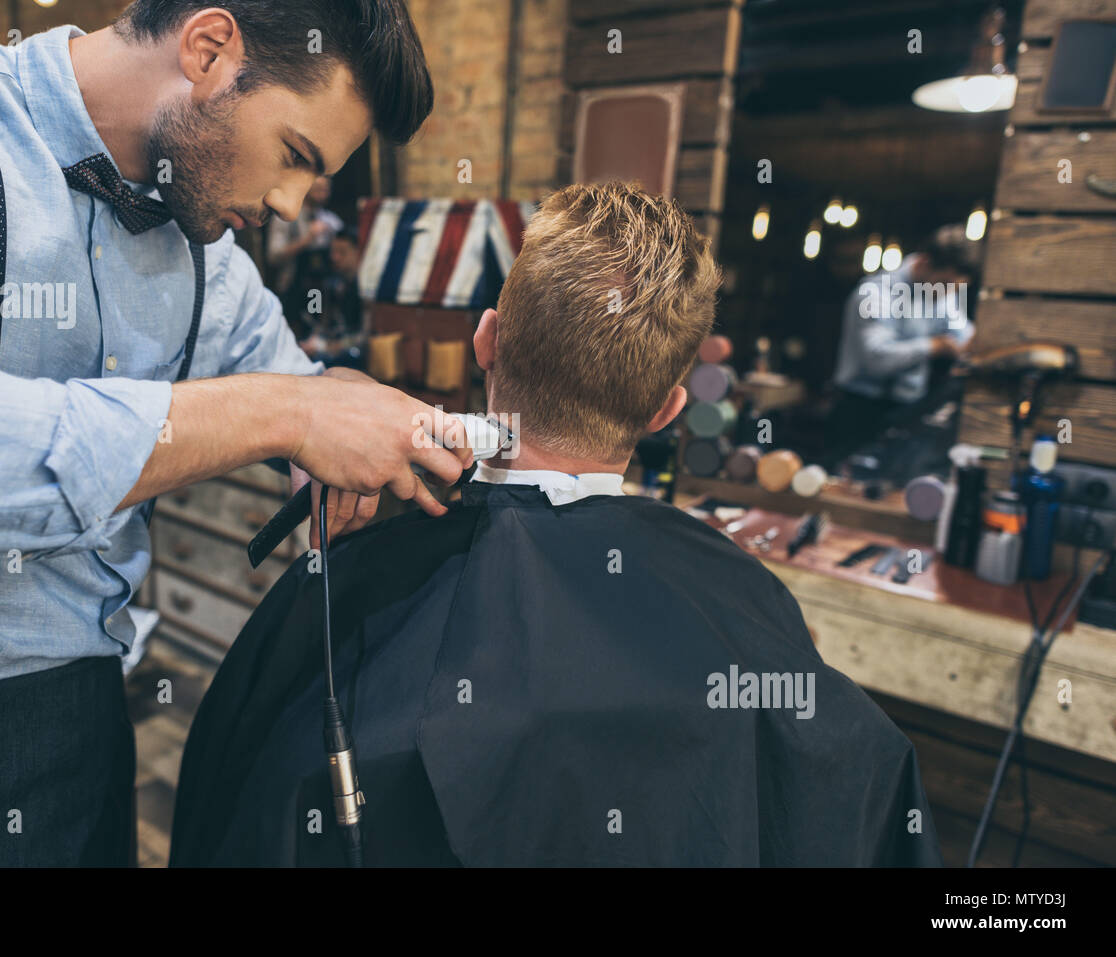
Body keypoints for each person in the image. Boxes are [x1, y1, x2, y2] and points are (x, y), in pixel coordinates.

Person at [0, 0, 472, 867]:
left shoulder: (212, 265)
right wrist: (285, 413)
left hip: (88, 728)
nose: (287, 202)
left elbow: (311, 393)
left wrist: (344, 411)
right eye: (296, 157)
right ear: (208, 50)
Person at [170, 182, 943, 867]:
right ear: (667, 409)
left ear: (485, 341)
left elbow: (237, 800)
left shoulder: (354, 585)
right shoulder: (741, 605)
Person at [828, 225, 980, 466]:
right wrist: (934, 346)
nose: (948, 293)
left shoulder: (942, 293)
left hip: (907, 414)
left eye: (956, 288)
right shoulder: (875, 293)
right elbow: (877, 358)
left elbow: (963, 334)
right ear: (924, 262)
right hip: (859, 412)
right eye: (945, 283)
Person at [267, 174, 343, 310]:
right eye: (318, 188)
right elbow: (274, 256)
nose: (323, 193)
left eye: (326, 189)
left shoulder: (331, 220)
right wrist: (307, 240)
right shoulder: (285, 218)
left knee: (316, 315)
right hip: (292, 287)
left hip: (319, 289)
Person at [300, 226, 365, 366]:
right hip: (333, 344)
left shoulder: (366, 288)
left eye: (342, 252)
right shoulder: (331, 283)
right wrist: (314, 340)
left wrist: (328, 346)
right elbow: (321, 322)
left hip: (354, 352)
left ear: (358, 253)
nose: (334, 257)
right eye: (333, 252)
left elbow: (365, 337)